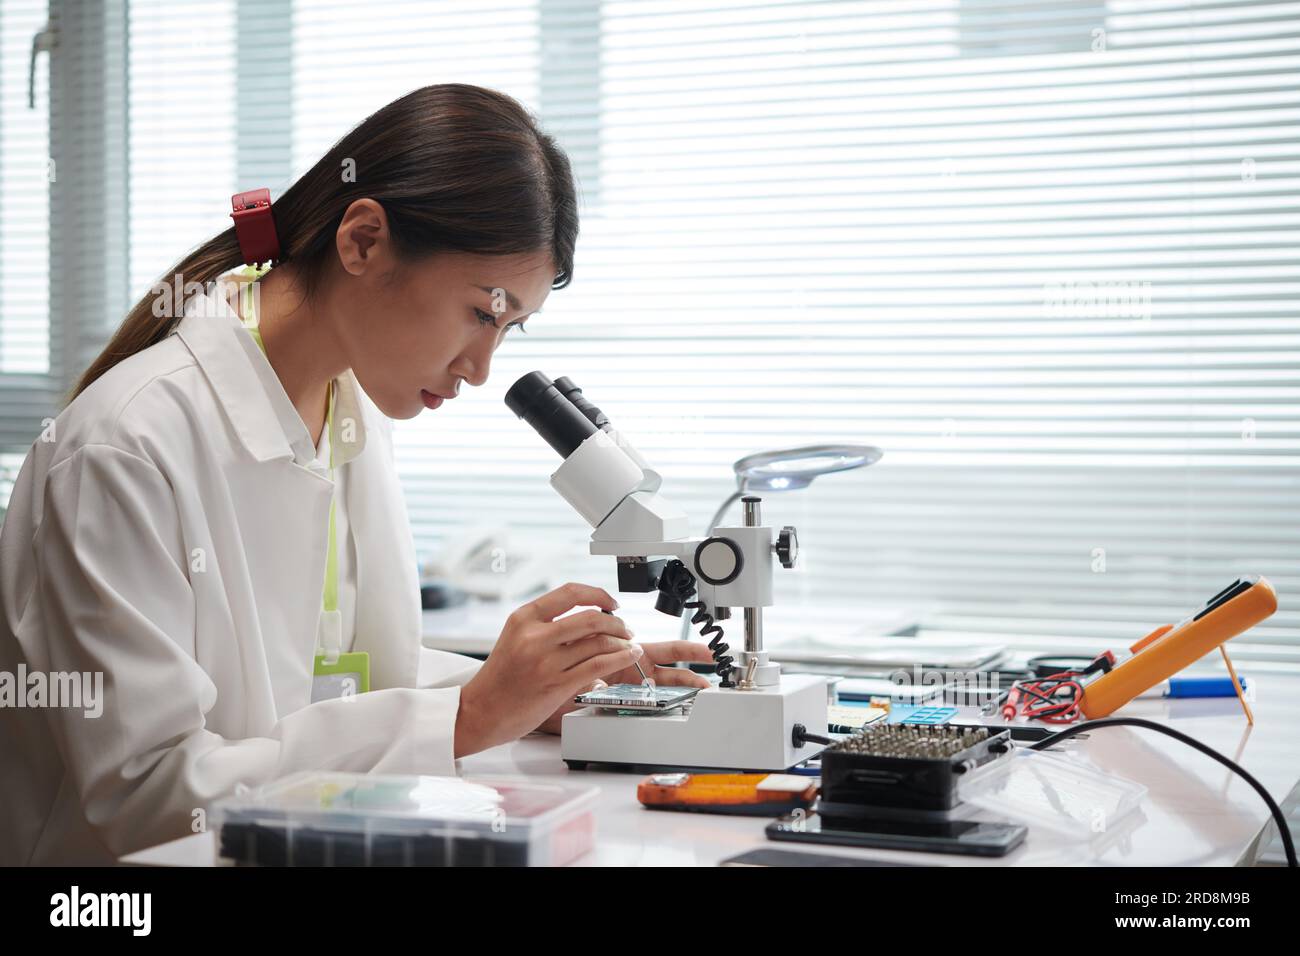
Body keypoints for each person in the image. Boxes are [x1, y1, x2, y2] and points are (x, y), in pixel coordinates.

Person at [0, 83, 711, 866]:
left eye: (509, 331)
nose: (481, 370)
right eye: (482, 313)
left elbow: (329, 687)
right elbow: (157, 795)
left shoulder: (350, 412)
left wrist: (527, 690)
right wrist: (469, 715)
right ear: (364, 241)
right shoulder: (123, 447)